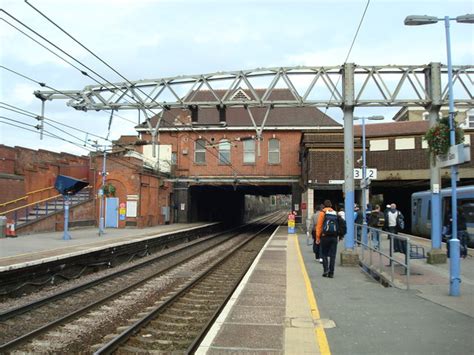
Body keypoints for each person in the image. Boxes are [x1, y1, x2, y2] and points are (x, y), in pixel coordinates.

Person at [316, 200, 344, 278]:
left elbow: (319, 226)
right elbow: (341, 225)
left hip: (325, 236)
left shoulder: (322, 213)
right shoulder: (335, 213)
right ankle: (331, 273)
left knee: (324, 254)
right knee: (333, 255)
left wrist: (317, 237)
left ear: (324, 206)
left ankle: (326, 270)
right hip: (334, 237)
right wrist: (340, 235)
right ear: (331, 205)